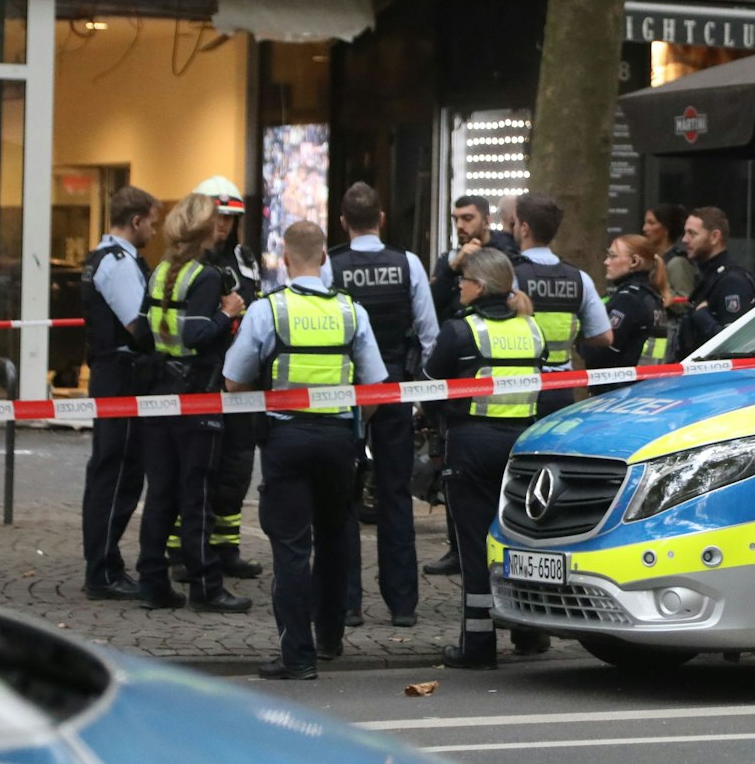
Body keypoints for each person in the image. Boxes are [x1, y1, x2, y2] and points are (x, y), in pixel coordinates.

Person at [224, 222, 388, 681]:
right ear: (324, 256)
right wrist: (354, 427)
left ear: (285, 257)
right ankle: (331, 637)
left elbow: (234, 380)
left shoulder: (268, 311)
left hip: (286, 439)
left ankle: (297, 657)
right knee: (336, 539)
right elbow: (375, 387)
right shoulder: (351, 311)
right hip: (338, 441)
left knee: (292, 548)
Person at [424, 246, 550, 669]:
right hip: (522, 450)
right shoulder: (532, 329)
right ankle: (531, 634)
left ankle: (478, 646)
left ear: (479, 286)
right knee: (521, 540)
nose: (459, 286)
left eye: (463, 280)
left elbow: (429, 385)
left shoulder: (461, 332)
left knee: (477, 548)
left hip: (472, 448)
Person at [323, 181, 440, 629]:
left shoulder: (330, 265)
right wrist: (421, 394)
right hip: (394, 389)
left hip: (345, 394)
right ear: (382, 218)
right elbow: (429, 335)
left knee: (343, 499)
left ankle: (346, 603)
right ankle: (403, 605)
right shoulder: (406, 263)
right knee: (394, 495)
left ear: (343, 222)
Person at [134, 194, 252, 613]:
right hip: (196, 396)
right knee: (196, 494)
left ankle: (152, 583)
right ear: (205, 230)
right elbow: (199, 335)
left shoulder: (160, 271)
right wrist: (230, 312)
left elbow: (142, 333)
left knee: (161, 494)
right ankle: (206, 586)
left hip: (158, 395)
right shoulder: (204, 276)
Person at [170, 174, 264, 582]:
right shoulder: (190, 265)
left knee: (237, 466)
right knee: (193, 468)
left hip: (241, 380)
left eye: (230, 217)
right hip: (202, 379)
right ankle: (181, 549)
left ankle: (226, 547)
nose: (224, 224)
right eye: (218, 215)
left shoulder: (244, 258)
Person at [80, 186, 158, 601]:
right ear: (136, 221)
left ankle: (104, 563)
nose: (154, 228)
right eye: (152, 221)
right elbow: (138, 327)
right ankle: (103, 569)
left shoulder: (100, 258)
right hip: (122, 375)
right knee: (118, 473)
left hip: (112, 374)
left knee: (111, 471)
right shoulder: (119, 264)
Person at [508, 193, 613, 416]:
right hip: (562, 387)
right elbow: (605, 336)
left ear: (524, 228)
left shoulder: (512, 276)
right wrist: (572, 335)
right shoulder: (579, 278)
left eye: (515, 223)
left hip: (520, 385)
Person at [673, 206, 755, 361]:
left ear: (714, 237)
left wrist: (702, 318)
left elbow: (735, 346)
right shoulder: (709, 276)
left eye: (692, 233)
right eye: (685, 233)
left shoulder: (732, 281)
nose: (685, 239)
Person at [585, 234, 670, 376]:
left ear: (634, 261)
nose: (606, 262)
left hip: (618, 391)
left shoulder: (629, 300)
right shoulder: (651, 297)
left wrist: (582, 337)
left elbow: (602, 354)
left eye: (613, 256)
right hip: (643, 387)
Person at [428, 194, 518, 318]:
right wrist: (453, 268)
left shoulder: (508, 254)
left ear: (486, 221)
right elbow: (431, 306)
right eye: (456, 219)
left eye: (467, 218)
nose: (459, 225)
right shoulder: (450, 260)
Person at [643, 203, 698, 315]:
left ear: (665, 228)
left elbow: (686, 303)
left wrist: (663, 289)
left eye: (651, 223)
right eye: (645, 223)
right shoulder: (652, 261)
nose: (644, 228)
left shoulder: (677, 262)